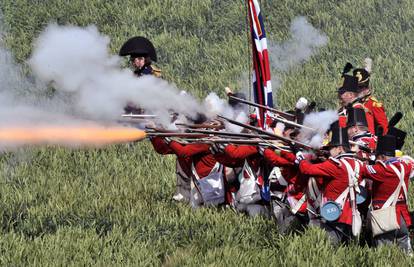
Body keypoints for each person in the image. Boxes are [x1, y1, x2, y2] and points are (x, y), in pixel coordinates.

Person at [296, 121, 363, 245]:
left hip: (333, 215)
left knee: (329, 250)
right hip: (349, 216)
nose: (329, 151)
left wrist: (300, 158)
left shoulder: (335, 165)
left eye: (331, 148)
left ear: (339, 148)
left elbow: (307, 170)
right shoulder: (358, 164)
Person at [361, 134, 413, 254]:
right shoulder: (406, 166)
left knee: (384, 255)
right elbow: (409, 160)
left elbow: (362, 170)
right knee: (406, 254)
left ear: (383, 157)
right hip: (403, 218)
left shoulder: (382, 170)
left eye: (377, 158)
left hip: (385, 218)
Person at [352, 59, 388, 134]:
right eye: (356, 87)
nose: (358, 90)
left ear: (367, 88)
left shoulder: (374, 105)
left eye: (361, 87)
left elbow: (384, 129)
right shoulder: (353, 103)